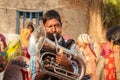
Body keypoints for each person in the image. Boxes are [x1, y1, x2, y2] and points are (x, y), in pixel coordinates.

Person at [30, 10, 75, 80]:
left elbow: (76, 76)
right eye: (50, 26)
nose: (54, 29)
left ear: (61, 25)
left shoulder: (70, 44)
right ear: (44, 27)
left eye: (57, 25)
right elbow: (33, 77)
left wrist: (68, 65)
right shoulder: (37, 47)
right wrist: (45, 71)